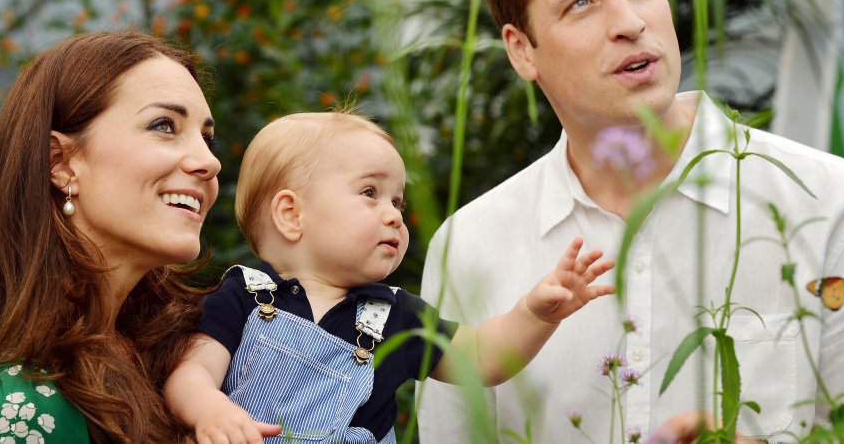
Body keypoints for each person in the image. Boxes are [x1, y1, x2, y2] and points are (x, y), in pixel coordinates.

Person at [417, 0, 844, 444]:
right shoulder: (469, 245)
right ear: (523, 51)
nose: (628, 22)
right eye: (581, 3)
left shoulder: (834, 205)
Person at [162, 111, 616, 444]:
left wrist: (535, 313)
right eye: (369, 193)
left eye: (397, 202)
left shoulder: (394, 314)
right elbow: (192, 372)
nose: (394, 216)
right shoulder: (243, 294)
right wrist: (210, 411)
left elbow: (482, 358)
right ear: (291, 214)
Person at [0, 32, 223, 443]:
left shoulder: (190, 366)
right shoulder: (18, 406)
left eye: (207, 137)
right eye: (164, 125)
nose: (209, 161)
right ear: (61, 163)